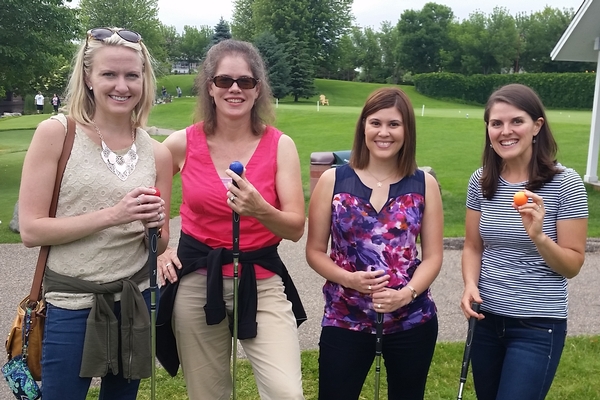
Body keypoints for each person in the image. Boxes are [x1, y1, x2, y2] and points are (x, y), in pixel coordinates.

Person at [18, 27, 172, 400]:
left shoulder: (159, 153)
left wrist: (153, 225)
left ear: (144, 79)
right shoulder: (56, 132)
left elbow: (162, 242)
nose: (122, 85)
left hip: (134, 301)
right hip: (71, 304)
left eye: (131, 75)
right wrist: (115, 214)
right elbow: (31, 230)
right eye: (109, 74)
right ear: (88, 77)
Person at [156, 39, 307, 400]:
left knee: (286, 393)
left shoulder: (280, 145)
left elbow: (296, 228)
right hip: (196, 281)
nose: (235, 89)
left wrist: (260, 209)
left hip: (262, 279)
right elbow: (152, 210)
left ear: (258, 89)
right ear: (210, 86)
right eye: (224, 81)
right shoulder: (179, 144)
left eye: (246, 81)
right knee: (208, 394)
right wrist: (160, 251)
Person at [306, 87, 444, 400]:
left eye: (394, 124)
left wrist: (405, 295)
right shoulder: (334, 181)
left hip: (411, 321)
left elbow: (434, 256)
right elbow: (314, 251)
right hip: (345, 319)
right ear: (363, 127)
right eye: (376, 123)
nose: (384, 132)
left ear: (407, 129)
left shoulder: (424, 184)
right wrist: (349, 279)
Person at [460, 83, 588, 400]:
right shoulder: (481, 180)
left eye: (517, 121)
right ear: (488, 129)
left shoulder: (565, 183)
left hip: (537, 325)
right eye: (496, 123)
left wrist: (540, 237)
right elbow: (473, 246)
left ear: (537, 126)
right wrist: (469, 284)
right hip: (486, 319)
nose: (506, 131)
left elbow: (572, 265)